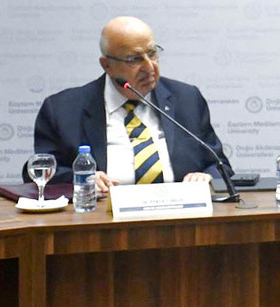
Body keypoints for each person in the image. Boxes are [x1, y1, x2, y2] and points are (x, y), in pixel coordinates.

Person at [31, 16, 232, 196]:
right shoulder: (63, 109)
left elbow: (219, 164)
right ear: (107, 65)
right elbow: (41, 171)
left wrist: (207, 177)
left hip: (179, 215)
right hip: (101, 217)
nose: (149, 67)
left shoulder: (186, 99)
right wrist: (79, 178)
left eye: (152, 53)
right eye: (134, 59)